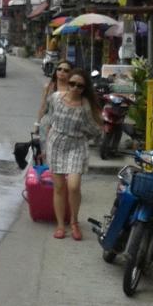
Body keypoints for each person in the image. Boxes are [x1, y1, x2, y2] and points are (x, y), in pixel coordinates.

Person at [46, 68, 101, 240]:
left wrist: (84, 134)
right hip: (55, 145)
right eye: (72, 84)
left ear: (85, 89)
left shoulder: (86, 106)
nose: (75, 88)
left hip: (76, 145)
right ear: (67, 83)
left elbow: (95, 130)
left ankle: (74, 222)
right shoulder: (56, 98)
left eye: (80, 86)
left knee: (74, 186)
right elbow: (50, 118)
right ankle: (61, 225)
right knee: (59, 187)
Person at [35, 60, 73, 161]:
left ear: (70, 73)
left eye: (66, 70)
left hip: (65, 127)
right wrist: (37, 124)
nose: (62, 72)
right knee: (46, 154)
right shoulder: (49, 87)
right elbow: (43, 107)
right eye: (59, 69)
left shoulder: (73, 89)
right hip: (47, 125)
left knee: (61, 157)